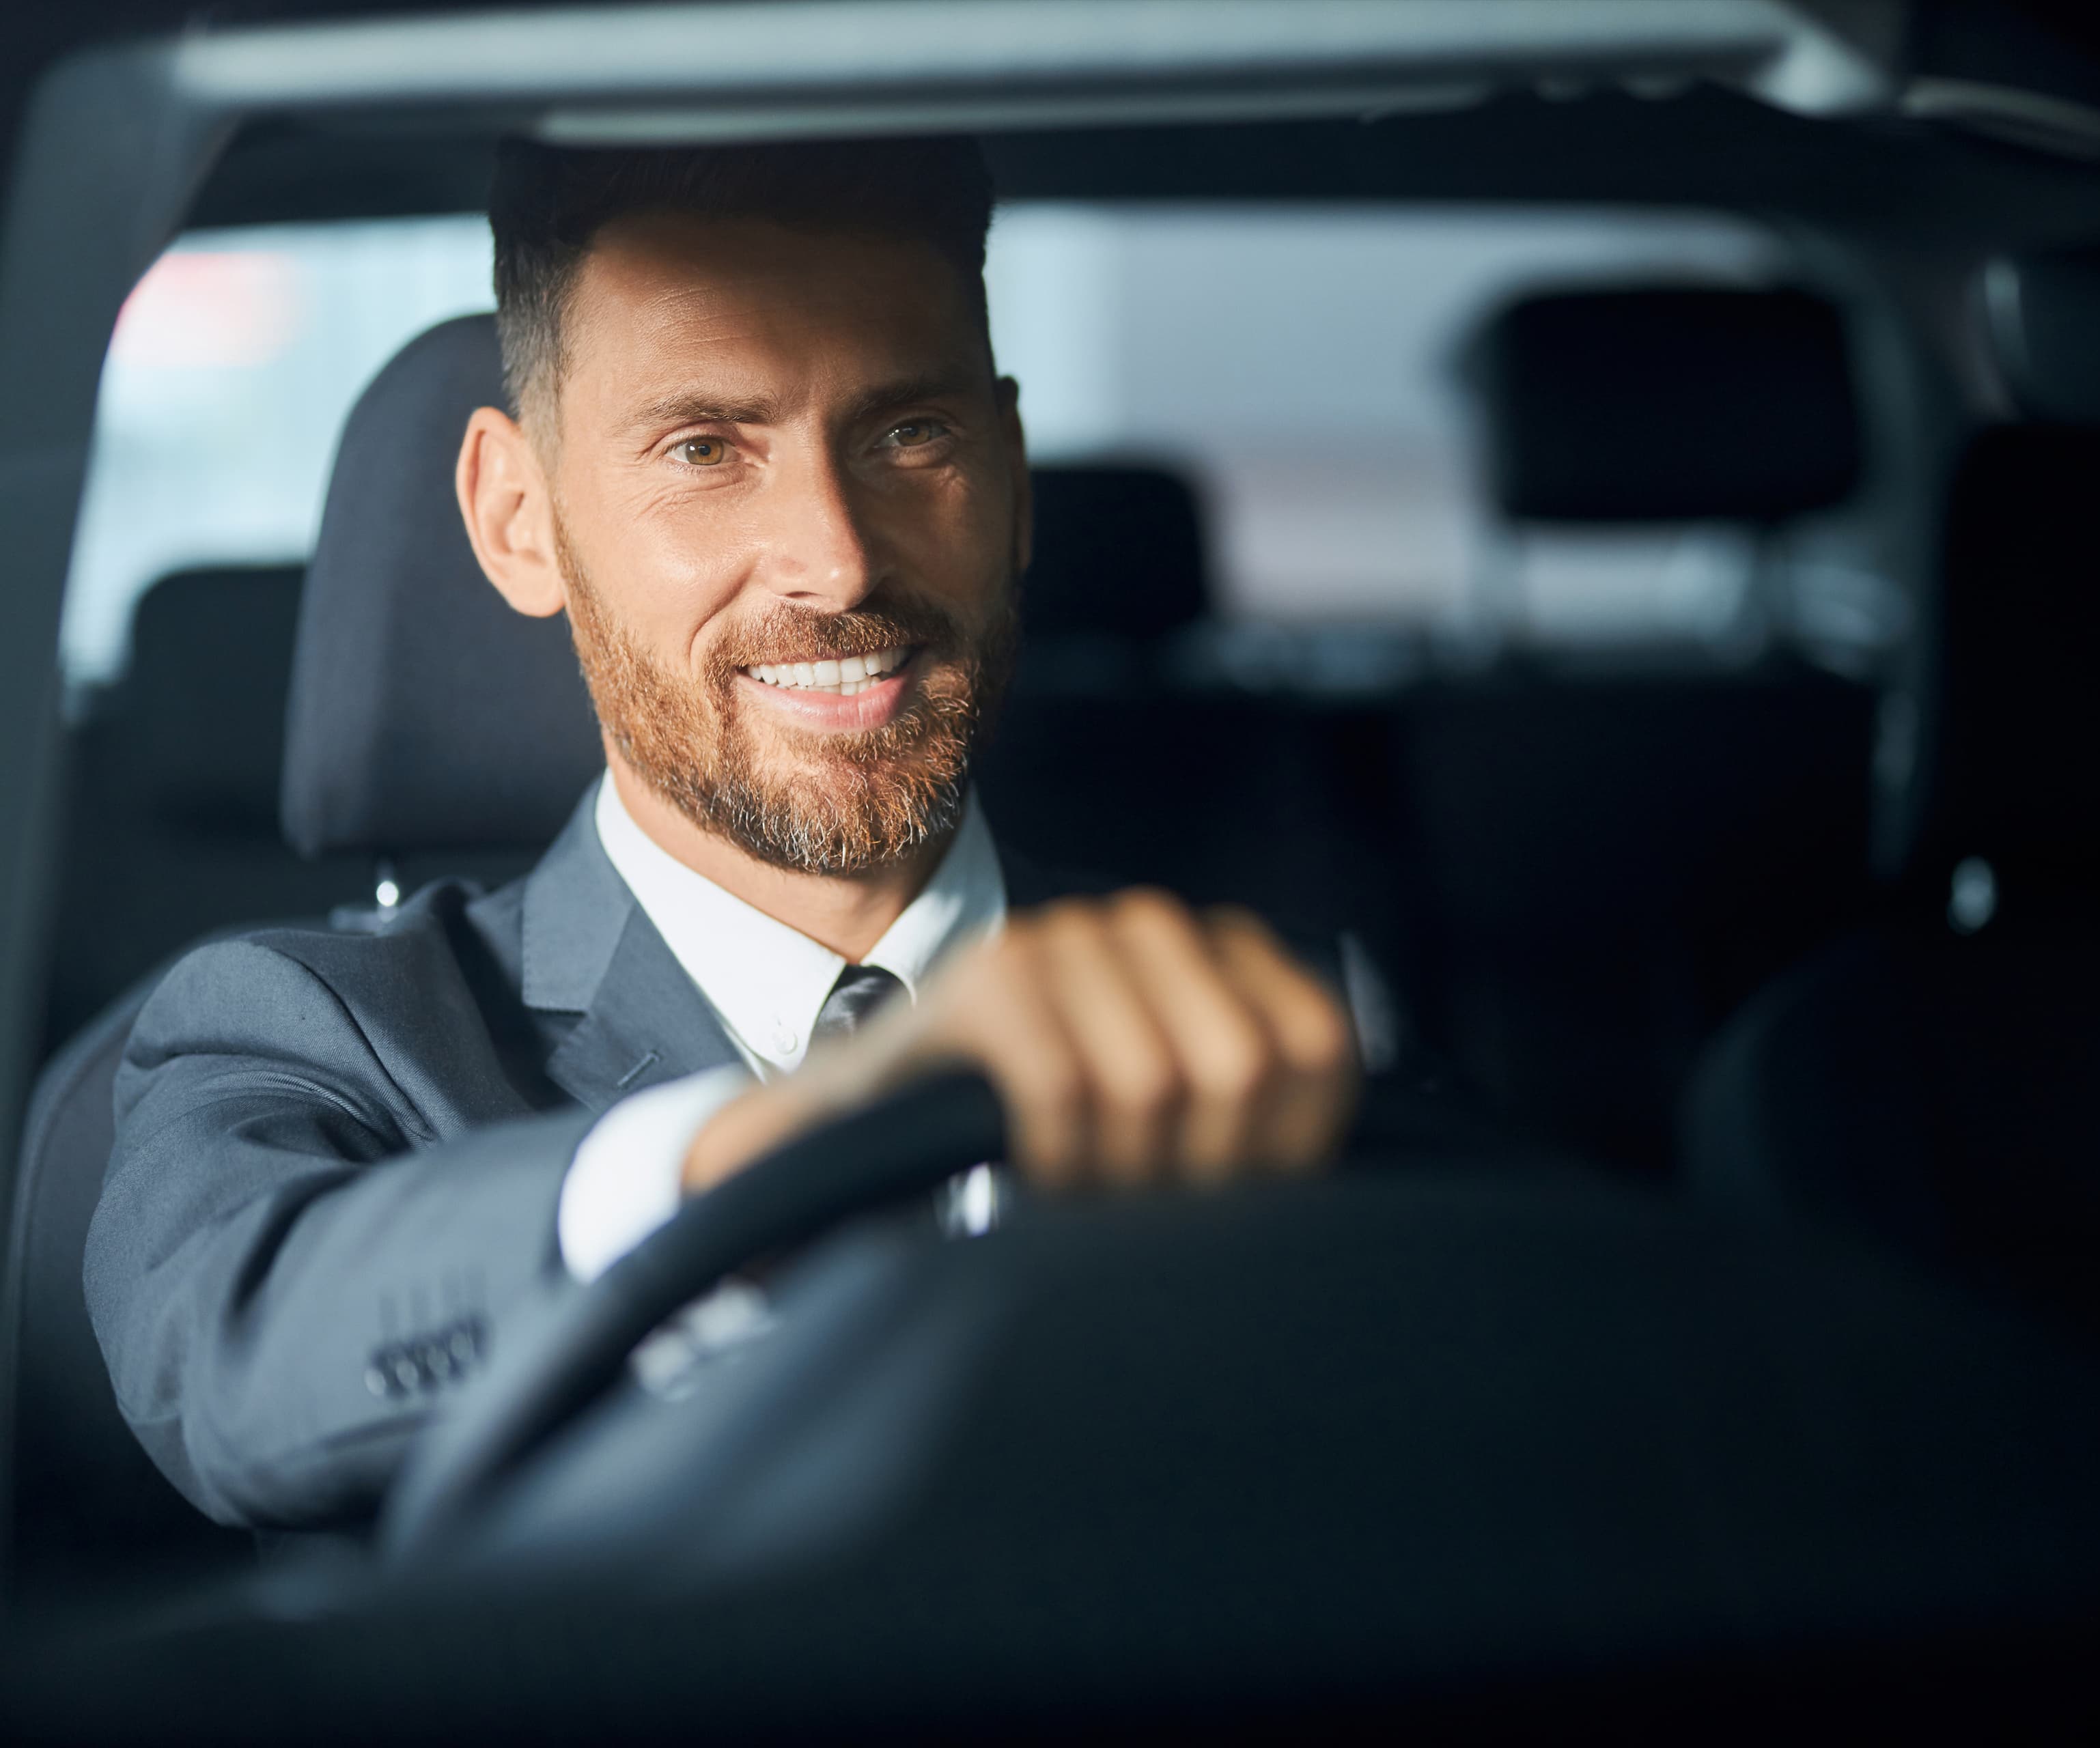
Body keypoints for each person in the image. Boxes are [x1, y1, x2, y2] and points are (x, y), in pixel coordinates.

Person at [84, 137, 1362, 1530]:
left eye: (908, 435)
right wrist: (788, 1144)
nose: (839, 558)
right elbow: (236, 1348)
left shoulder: (1263, 1018)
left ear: (1012, 478)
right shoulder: (320, 1032)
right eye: (706, 450)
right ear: (520, 521)